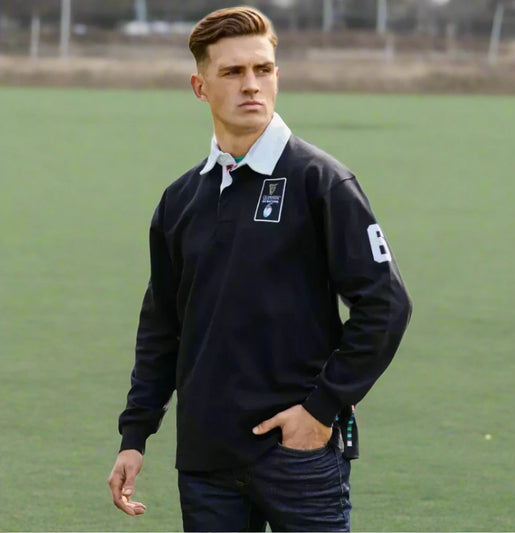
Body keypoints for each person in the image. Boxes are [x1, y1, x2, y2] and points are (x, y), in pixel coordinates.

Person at [107, 6, 412, 532]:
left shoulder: (322, 182)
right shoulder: (180, 200)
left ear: (277, 75)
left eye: (263, 70)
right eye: (232, 72)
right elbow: (162, 328)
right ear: (200, 87)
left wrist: (321, 411)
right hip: (206, 460)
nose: (252, 85)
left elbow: (385, 304)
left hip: (298, 455)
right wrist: (135, 435)